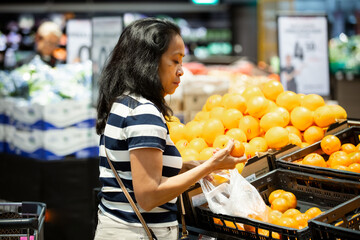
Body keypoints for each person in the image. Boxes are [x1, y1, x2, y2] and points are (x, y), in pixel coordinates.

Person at [94, 18, 247, 240]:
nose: (181, 71)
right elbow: (149, 196)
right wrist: (208, 167)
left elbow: (138, 166)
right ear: (148, 62)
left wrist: (194, 165)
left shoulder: (125, 102)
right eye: (175, 61)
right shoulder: (143, 113)